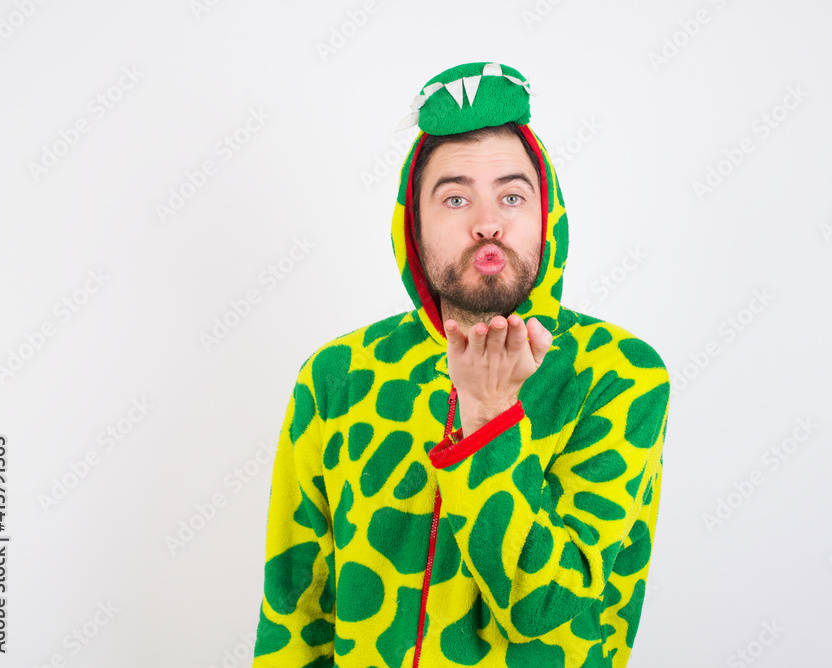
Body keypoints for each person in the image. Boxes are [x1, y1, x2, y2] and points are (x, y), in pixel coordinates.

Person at [252, 61, 671, 668]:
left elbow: (542, 607)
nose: (487, 222)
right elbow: (294, 612)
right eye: (455, 197)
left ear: (546, 213)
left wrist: (489, 416)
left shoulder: (620, 375)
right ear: (412, 225)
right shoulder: (336, 376)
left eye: (511, 195)